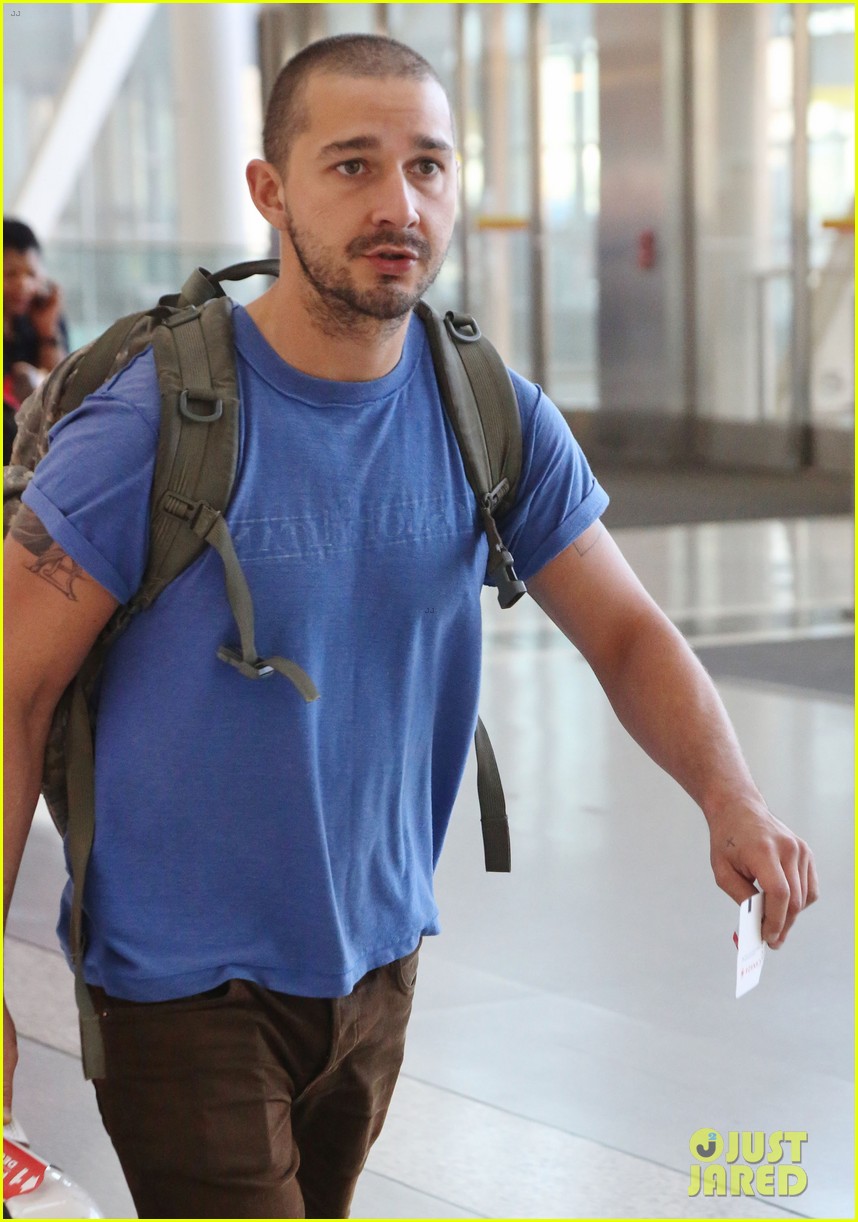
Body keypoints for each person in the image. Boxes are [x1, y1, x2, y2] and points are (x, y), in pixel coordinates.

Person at [3, 34, 818, 1221]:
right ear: (270, 190)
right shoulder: (152, 424)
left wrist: (729, 793)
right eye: (353, 166)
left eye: (428, 165)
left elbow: (628, 631)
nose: (400, 204)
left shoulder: (486, 411)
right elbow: (13, 690)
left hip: (379, 963)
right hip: (179, 989)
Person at [3, 218, 68, 462]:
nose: (23, 284)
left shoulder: (42, 315)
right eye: (10, 274)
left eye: (31, 274)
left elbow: (65, 390)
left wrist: (47, 331)